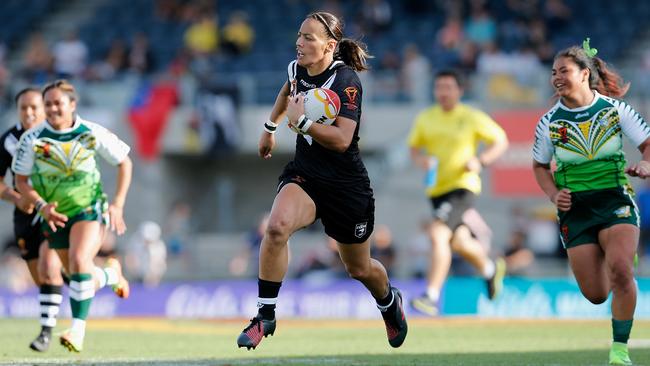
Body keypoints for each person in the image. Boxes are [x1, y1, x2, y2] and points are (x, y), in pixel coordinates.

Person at [236, 11, 407, 350]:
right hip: (307, 174)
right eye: (299, 35)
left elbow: (343, 139)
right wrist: (270, 129)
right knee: (276, 227)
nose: (299, 43)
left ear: (329, 46)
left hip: (346, 186)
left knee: (359, 269)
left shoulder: (347, 82)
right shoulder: (297, 68)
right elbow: (288, 89)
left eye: (308, 38)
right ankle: (265, 315)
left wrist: (301, 125)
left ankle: (389, 303)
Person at [532, 39, 649, 366]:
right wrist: (555, 194)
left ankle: (619, 351)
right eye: (553, 72)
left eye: (564, 70)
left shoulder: (614, 109)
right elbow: (539, 167)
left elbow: (648, 145)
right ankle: (619, 260)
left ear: (585, 74)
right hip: (576, 210)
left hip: (615, 199)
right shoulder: (549, 122)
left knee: (622, 272)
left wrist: (646, 165)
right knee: (596, 294)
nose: (556, 77)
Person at [12, 80, 132, 353]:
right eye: (49, 104)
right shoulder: (32, 139)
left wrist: (118, 204)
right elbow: (21, 181)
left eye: (58, 103)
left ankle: (77, 330)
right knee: (76, 273)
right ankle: (111, 275)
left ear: (72, 105)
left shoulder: (90, 132)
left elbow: (124, 161)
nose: (53, 108)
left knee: (79, 260)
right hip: (54, 214)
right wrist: (41, 206)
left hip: (89, 208)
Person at [407, 69, 509, 316]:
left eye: (448, 87)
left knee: (438, 234)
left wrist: (481, 160)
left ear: (459, 90)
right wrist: (422, 161)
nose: (443, 92)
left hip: (462, 187)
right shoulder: (426, 117)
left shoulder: (471, 116)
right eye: (439, 87)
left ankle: (431, 295)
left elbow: (501, 140)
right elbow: (414, 149)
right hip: (437, 190)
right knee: (460, 242)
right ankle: (489, 269)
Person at [0, 88, 65, 351]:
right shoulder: (8, 141)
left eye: (34, 107)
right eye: (23, 108)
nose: (29, 113)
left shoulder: (60, 134)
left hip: (57, 211)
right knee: (43, 279)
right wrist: (16, 198)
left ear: (45, 108)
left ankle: (45, 334)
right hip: (26, 216)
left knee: (51, 267)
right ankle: (102, 275)